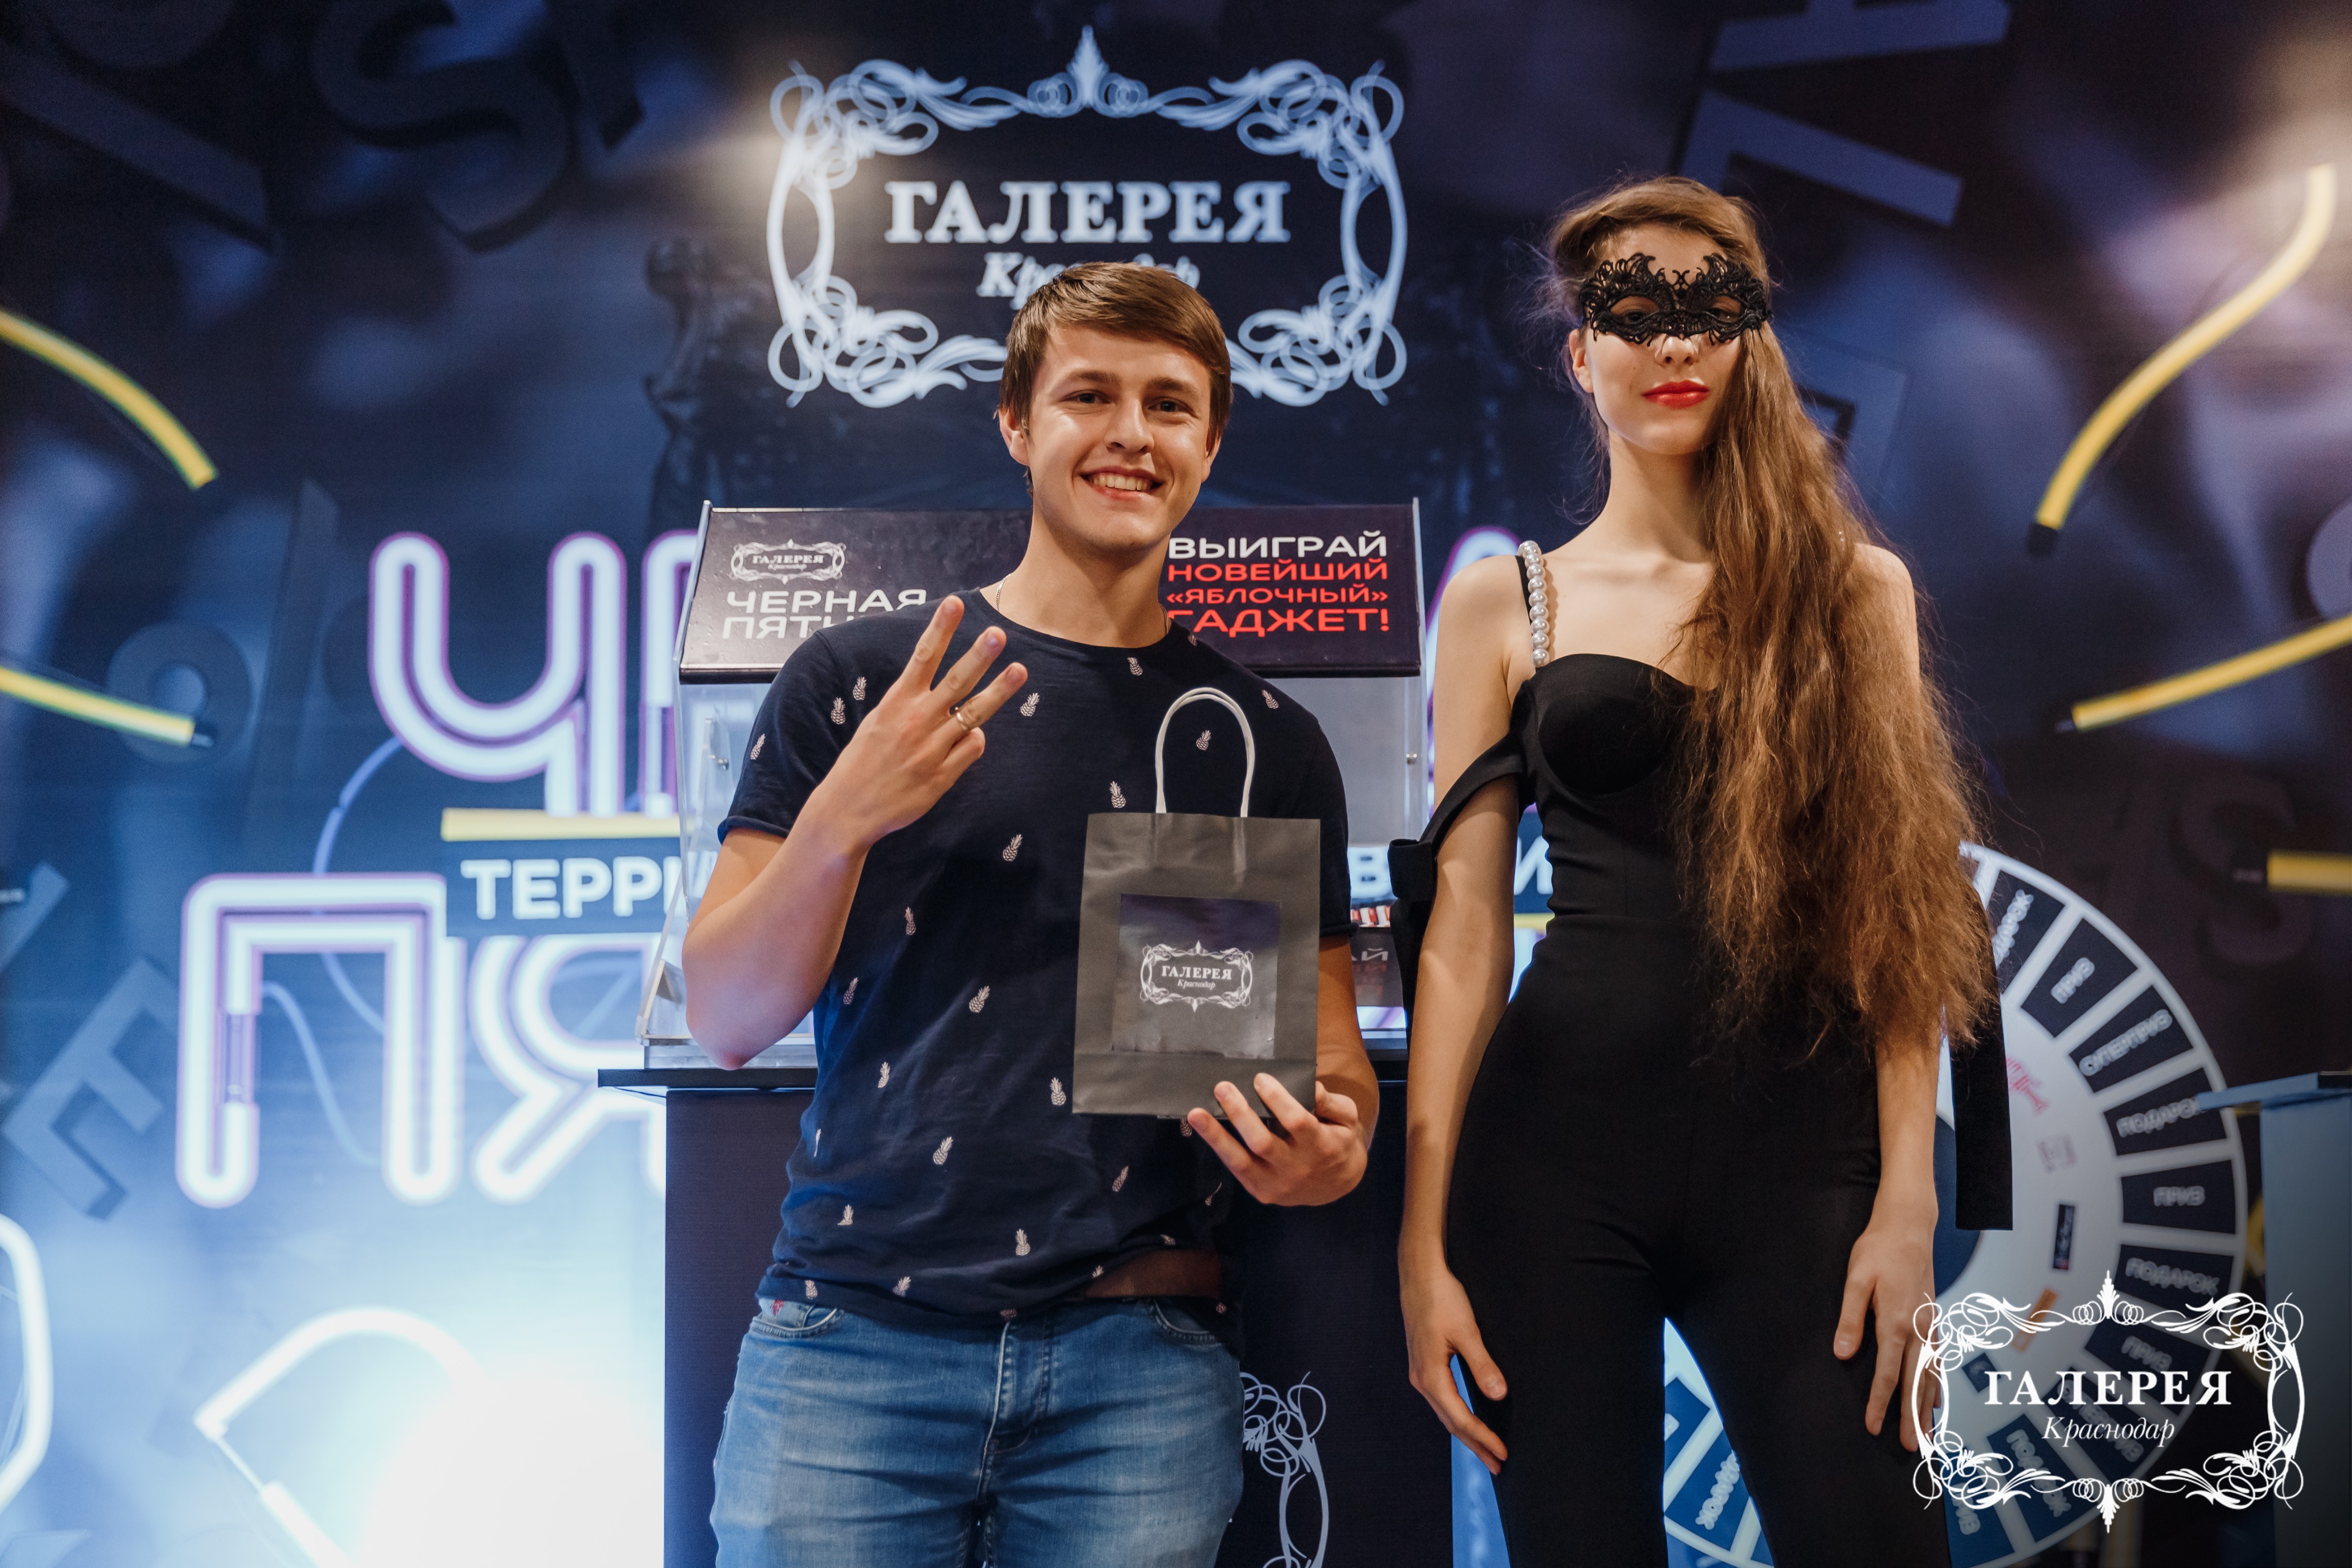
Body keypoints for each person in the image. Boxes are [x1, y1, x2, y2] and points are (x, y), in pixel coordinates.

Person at [687, 260, 1378, 1568]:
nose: (1132, 434)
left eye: (1169, 404)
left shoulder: (1259, 740)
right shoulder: (864, 682)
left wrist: (1328, 1153)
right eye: (1088, 396)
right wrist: (840, 820)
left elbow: (1332, 1071)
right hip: (851, 1346)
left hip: (1140, 1367)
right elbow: (725, 1016)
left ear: (1212, 442)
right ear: (1016, 423)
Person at [1397, 176, 1995, 1564]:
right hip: (1551, 1163)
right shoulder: (1507, 600)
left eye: (1708, 307)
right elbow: (1465, 932)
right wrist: (1420, 1248)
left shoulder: (1857, 593)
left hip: (1803, 1161)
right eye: (1632, 309)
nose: (1672, 341)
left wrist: (1908, 1205)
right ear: (1579, 353)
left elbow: (1897, 917)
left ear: (1751, 337)